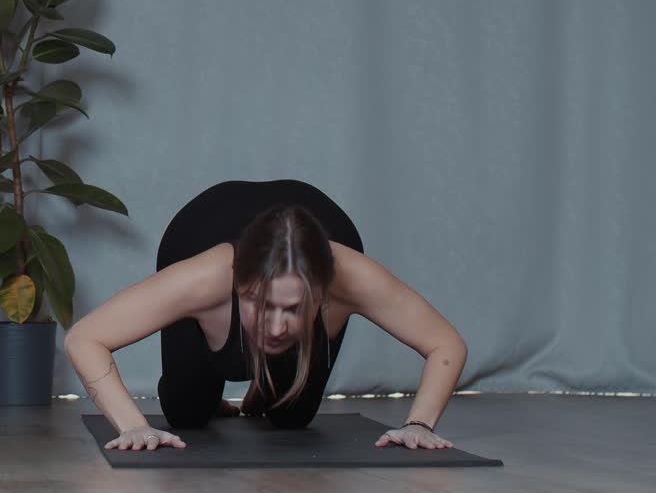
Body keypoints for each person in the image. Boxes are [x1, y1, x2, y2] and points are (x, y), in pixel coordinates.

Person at [64, 179, 466, 452]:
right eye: (259, 303)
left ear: (324, 291)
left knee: (293, 417)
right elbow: (85, 338)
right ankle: (225, 381)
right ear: (238, 281)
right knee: (186, 413)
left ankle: (270, 381)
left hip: (319, 227)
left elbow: (445, 343)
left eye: (293, 309)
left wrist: (419, 424)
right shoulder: (204, 275)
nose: (275, 327)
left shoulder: (353, 277)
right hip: (203, 223)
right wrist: (133, 425)